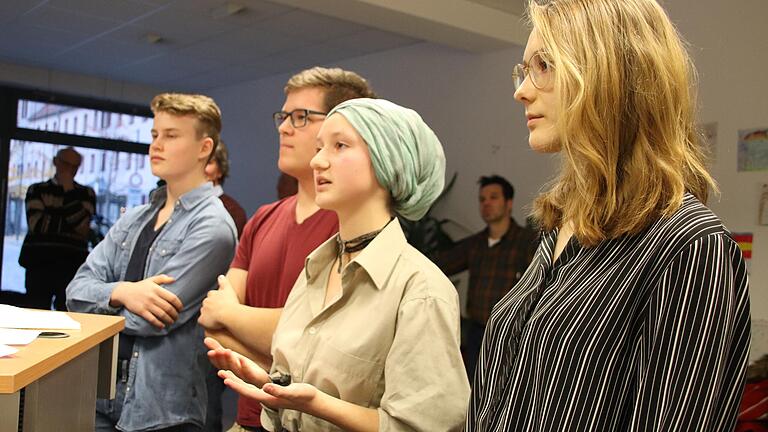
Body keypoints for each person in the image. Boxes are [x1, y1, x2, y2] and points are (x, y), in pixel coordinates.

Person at [465, 0, 751, 430]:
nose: (521, 90)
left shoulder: (688, 244)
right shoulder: (559, 228)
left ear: (609, 74)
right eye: (523, 70)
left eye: (543, 65)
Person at [206, 98, 470, 431]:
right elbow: (299, 382)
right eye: (319, 148)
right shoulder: (315, 269)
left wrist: (318, 404)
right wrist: (271, 386)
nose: (317, 161)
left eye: (339, 145)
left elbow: (421, 426)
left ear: (389, 162)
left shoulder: (420, 290)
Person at [197, 66, 375, 432]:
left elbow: (329, 337)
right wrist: (282, 364)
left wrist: (237, 318)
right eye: (284, 116)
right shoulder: (263, 218)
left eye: (300, 117)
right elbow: (213, 324)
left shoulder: (353, 225)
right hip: (246, 421)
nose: (283, 127)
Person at [66, 93, 237, 432]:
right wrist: (124, 292)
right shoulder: (138, 216)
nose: (156, 145)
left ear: (204, 148)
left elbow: (150, 322)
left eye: (171, 136)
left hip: (161, 411)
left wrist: (100, 304)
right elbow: (76, 291)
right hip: (103, 396)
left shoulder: (213, 226)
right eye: (155, 135)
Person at [434, 174, 537, 377]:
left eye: (493, 197)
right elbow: (438, 265)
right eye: (482, 199)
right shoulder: (475, 244)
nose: (486, 203)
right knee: (474, 387)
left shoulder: (527, 242)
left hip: (513, 333)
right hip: (478, 333)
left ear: (509, 203)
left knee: (508, 390)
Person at [18, 146, 95, 310]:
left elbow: (82, 229)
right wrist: (71, 220)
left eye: (74, 166)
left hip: (72, 265)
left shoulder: (86, 193)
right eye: (66, 164)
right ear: (56, 162)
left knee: (67, 315)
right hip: (39, 263)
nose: (70, 170)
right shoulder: (37, 189)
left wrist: (67, 190)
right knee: (35, 312)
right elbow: (37, 225)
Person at [206, 139, 248, 237]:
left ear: (220, 170)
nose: (201, 168)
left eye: (209, 162)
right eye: (198, 161)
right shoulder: (179, 203)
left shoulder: (233, 212)